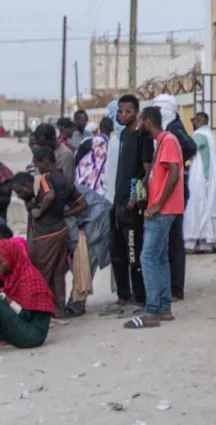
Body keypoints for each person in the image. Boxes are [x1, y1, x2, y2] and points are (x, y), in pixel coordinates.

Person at [125, 105, 184, 329]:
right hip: (161, 209)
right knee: (158, 258)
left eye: (141, 120)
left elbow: (174, 173)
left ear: (148, 121)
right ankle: (164, 308)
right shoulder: (161, 142)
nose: (139, 124)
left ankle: (152, 312)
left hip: (162, 210)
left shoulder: (167, 141)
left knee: (147, 258)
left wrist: (158, 204)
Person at [103, 95, 153, 316]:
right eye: (120, 111)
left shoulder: (143, 136)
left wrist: (135, 198)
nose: (123, 115)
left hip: (132, 206)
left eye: (128, 111)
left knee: (134, 254)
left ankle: (139, 298)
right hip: (117, 203)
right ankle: (123, 296)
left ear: (137, 112)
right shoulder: (122, 135)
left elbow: (147, 170)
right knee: (118, 253)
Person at [16, 150, 76, 315]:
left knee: (43, 273)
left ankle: (43, 310)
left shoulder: (44, 180)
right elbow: (80, 202)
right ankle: (59, 310)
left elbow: (50, 195)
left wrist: (40, 211)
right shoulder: (63, 179)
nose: (19, 196)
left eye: (20, 191)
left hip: (47, 235)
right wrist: (64, 214)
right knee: (58, 273)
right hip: (61, 230)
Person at [153, 95, 197, 300]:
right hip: (170, 191)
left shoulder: (174, 130)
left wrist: (174, 165)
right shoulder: (168, 129)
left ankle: (176, 288)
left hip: (174, 192)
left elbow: (190, 148)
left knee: (174, 241)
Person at [182, 112, 216, 253]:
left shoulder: (200, 135)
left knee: (197, 207)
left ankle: (192, 242)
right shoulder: (209, 135)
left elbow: (188, 151)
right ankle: (206, 244)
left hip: (202, 178)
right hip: (209, 178)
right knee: (207, 207)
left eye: (195, 120)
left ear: (201, 120)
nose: (193, 122)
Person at [65, 182, 112, 317]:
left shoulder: (55, 194)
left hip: (98, 219)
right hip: (93, 217)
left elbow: (71, 231)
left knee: (84, 259)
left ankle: (76, 305)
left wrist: (73, 250)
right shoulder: (54, 187)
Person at [74, 116, 111, 194]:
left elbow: (77, 162)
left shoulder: (87, 142)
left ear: (99, 128)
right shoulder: (112, 144)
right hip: (103, 189)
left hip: (85, 188)